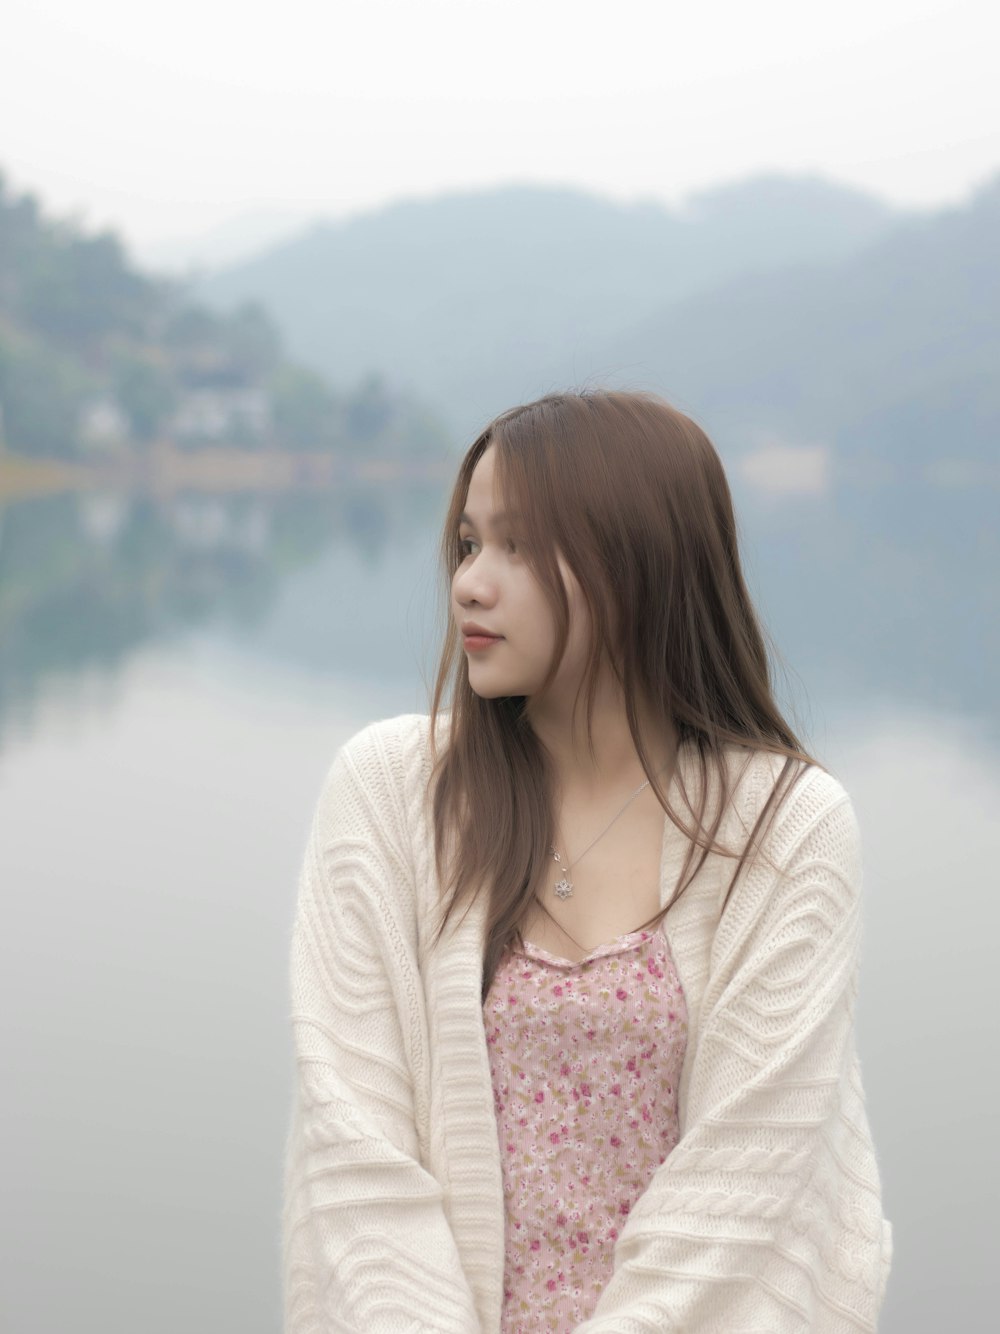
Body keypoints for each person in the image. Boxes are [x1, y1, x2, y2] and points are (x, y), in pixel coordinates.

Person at [281, 390, 893, 1332]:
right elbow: (356, 1155)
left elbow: (741, 1193)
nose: (470, 584)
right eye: (468, 543)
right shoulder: (392, 790)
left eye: (519, 546)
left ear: (638, 560)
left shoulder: (784, 826)